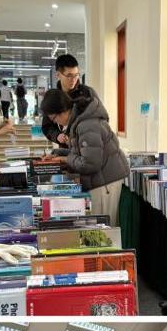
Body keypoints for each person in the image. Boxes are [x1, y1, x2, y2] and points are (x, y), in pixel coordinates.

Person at [40, 88, 128, 228]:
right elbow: (80, 151)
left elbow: (89, 163)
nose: (56, 123)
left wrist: (65, 159)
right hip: (102, 180)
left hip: (105, 183)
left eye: (54, 119)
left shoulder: (86, 125)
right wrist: (58, 154)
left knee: (104, 229)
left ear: (62, 112)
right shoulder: (80, 120)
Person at [41, 54, 97, 147]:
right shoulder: (53, 98)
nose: (74, 80)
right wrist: (57, 135)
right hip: (66, 149)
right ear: (58, 75)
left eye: (76, 75)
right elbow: (47, 126)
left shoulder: (87, 93)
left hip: (87, 146)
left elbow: (99, 120)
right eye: (69, 76)